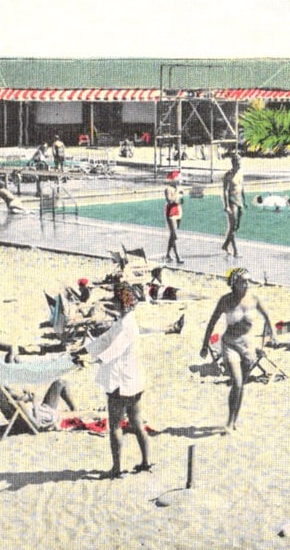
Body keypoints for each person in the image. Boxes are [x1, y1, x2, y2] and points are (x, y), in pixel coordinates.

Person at [79, 283, 152, 477]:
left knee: (115, 426)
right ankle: (146, 462)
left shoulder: (125, 326)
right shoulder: (127, 321)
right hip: (134, 380)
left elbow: (114, 349)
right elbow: (104, 339)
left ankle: (117, 468)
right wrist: (84, 350)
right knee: (137, 423)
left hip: (121, 382)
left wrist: (92, 359)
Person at [201, 268, 271, 431]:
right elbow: (212, 322)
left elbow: (268, 317)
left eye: (248, 281)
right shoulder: (225, 301)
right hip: (230, 344)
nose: (247, 284)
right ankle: (230, 422)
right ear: (234, 284)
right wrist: (205, 345)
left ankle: (235, 420)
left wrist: (269, 337)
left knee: (241, 386)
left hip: (248, 346)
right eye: (243, 281)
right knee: (238, 383)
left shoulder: (254, 299)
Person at [221, 153, 243, 257]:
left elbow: (242, 187)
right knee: (232, 226)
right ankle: (235, 250)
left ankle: (225, 245)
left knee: (237, 226)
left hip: (239, 201)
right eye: (238, 164)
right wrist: (226, 205)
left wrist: (244, 200)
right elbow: (225, 191)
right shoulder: (228, 175)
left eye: (240, 163)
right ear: (233, 164)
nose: (239, 166)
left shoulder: (240, 173)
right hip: (231, 200)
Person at [163, 170, 184, 264]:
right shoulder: (168, 189)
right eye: (178, 178)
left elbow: (181, 201)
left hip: (177, 212)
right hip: (170, 213)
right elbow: (170, 200)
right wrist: (177, 195)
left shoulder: (178, 189)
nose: (179, 180)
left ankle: (168, 254)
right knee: (175, 235)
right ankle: (177, 256)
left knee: (172, 235)